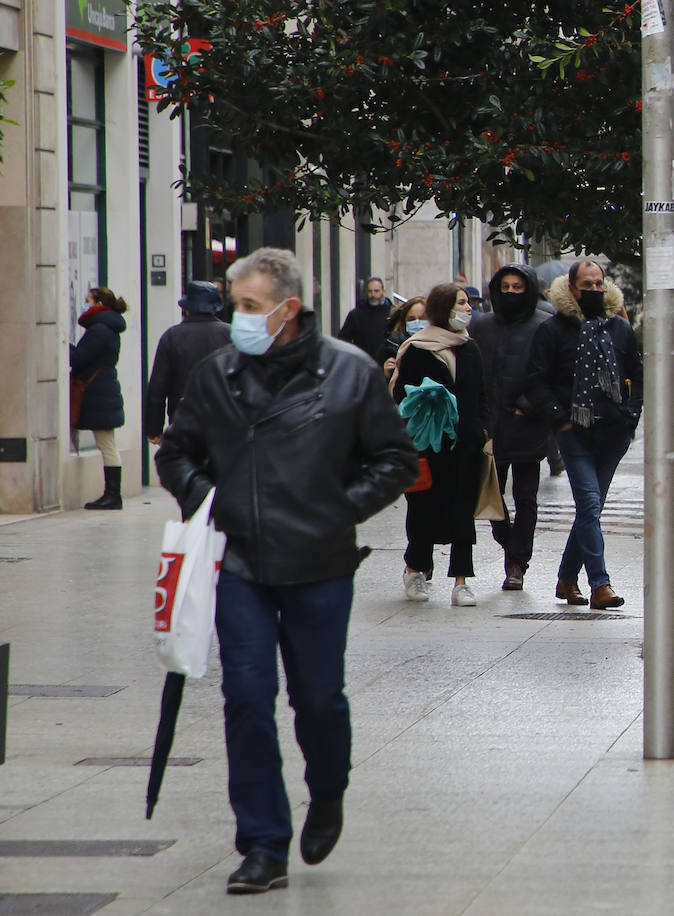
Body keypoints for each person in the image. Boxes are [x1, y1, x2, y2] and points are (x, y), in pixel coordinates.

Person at [154, 247, 416, 894]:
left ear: (287, 309)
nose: (235, 317)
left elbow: (396, 460)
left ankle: (327, 790)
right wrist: (204, 499)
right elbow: (178, 452)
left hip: (319, 563)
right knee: (245, 697)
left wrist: (338, 511)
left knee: (318, 698)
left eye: (248, 306)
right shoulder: (218, 374)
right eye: (234, 304)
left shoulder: (349, 374)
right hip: (239, 559)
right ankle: (263, 842)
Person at [524, 260, 642, 610]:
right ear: (571, 287)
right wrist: (561, 419)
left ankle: (565, 579)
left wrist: (631, 415)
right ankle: (600, 585)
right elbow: (536, 381)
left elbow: (638, 374)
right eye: (585, 284)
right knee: (589, 505)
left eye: (598, 283)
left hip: (613, 433)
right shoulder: (552, 330)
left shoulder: (620, 329)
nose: (593, 289)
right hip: (573, 432)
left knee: (591, 510)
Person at [391, 283, 487, 606]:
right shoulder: (418, 348)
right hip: (428, 446)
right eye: (461, 303)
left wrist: (484, 432)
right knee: (423, 509)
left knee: (463, 512)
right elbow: (403, 393)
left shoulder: (470, 348)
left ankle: (462, 582)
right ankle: (415, 568)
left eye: (468, 303)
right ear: (445, 307)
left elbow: (483, 394)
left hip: (466, 446)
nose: (468, 309)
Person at [470, 264, 553, 591]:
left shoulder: (544, 325)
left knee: (526, 497)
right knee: (489, 494)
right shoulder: (483, 326)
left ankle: (517, 563)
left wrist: (529, 406)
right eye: (505, 286)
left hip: (527, 425)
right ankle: (509, 541)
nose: (511, 293)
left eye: (518, 287)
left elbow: (552, 374)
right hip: (490, 426)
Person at [146, 281, 232, 448]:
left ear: (187, 307)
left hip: (183, 417)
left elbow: (158, 387)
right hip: (223, 417)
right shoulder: (230, 334)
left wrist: (154, 428)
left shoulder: (172, 336)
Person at [71, 286, 130, 510]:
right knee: (107, 443)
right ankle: (112, 494)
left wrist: (63, 346)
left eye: (88, 301)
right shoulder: (108, 327)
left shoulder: (100, 329)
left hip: (98, 391)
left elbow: (80, 358)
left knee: (106, 444)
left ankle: (113, 495)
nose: (85, 305)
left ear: (98, 304)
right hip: (104, 388)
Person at [337, 276, 398, 366]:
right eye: (370, 291)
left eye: (376, 291)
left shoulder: (393, 314)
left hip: (387, 364)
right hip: (362, 363)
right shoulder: (356, 314)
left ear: (383, 291)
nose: (373, 295)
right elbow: (344, 339)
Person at [377, 296, 429, 378]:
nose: (417, 323)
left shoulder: (442, 346)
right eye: (411, 319)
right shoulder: (391, 347)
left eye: (423, 318)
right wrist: (386, 375)